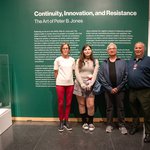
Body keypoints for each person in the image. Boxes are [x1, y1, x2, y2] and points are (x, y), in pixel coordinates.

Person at [98, 43, 128, 134]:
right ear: (107, 51)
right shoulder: (103, 63)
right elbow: (101, 77)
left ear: (116, 50)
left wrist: (118, 88)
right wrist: (109, 88)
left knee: (120, 107)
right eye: (110, 49)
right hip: (108, 90)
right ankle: (109, 125)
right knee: (109, 107)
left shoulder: (123, 62)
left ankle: (122, 125)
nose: (112, 50)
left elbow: (126, 76)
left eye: (113, 48)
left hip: (120, 89)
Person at [128, 42, 150, 143]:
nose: (138, 50)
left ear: (143, 49)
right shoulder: (131, 61)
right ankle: (135, 126)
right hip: (132, 91)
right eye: (136, 48)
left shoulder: (148, 60)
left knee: (147, 113)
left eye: (140, 48)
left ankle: (148, 133)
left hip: (145, 91)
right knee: (134, 111)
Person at [73, 44, 99, 131]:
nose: (87, 51)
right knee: (81, 104)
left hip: (90, 85)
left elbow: (95, 74)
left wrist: (90, 84)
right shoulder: (78, 61)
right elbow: (76, 73)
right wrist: (82, 84)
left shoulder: (95, 61)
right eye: (85, 49)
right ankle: (84, 122)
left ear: (91, 51)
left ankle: (91, 122)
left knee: (90, 105)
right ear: (83, 51)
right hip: (79, 84)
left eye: (89, 49)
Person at [54, 42, 75, 132]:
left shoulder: (72, 60)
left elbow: (73, 72)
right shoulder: (57, 60)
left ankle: (66, 120)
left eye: (67, 48)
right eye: (64, 48)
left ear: (69, 50)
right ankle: (61, 121)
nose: (65, 50)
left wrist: (68, 79)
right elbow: (56, 72)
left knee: (69, 103)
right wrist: (59, 80)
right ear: (61, 50)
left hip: (70, 84)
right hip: (60, 84)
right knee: (61, 103)